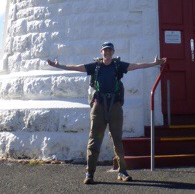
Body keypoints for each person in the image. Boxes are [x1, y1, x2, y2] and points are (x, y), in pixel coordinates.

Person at [47, 42, 166, 184]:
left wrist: (154, 64)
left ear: (113, 52)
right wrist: (58, 66)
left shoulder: (118, 66)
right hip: (99, 107)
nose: (107, 53)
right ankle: (90, 173)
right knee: (94, 140)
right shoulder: (95, 67)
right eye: (105, 50)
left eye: (110, 50)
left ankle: (122, 171)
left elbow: (136, 66)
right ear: (101, 52)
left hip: (115, 106)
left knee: (117, 140)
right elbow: (77, 67)